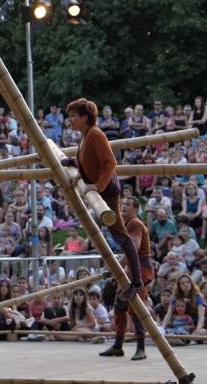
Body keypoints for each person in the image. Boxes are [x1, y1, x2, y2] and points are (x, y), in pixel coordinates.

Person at [62, 98, 143, 300]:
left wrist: (96, 186)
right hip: (98, 188)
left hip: (107, 192)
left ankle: (137, 281)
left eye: (73, 116)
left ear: (85, 117)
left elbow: (110, 163)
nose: (70, 119)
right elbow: (87, 160)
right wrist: (77, 169)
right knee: (117, 235)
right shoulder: (85, 136)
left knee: (121, 236)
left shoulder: (96, 134)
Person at [100, 196, 153, 361]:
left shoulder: (135, 223)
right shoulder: (127, 224)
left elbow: (134, 249)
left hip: (141, 269)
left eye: (128, 205)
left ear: (136, 210)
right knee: (120, 306)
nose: (123, 206)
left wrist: (115, 267)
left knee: (135, 309)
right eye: (122, 204)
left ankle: (141, 348)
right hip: (133, 268)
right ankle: (117, 346)